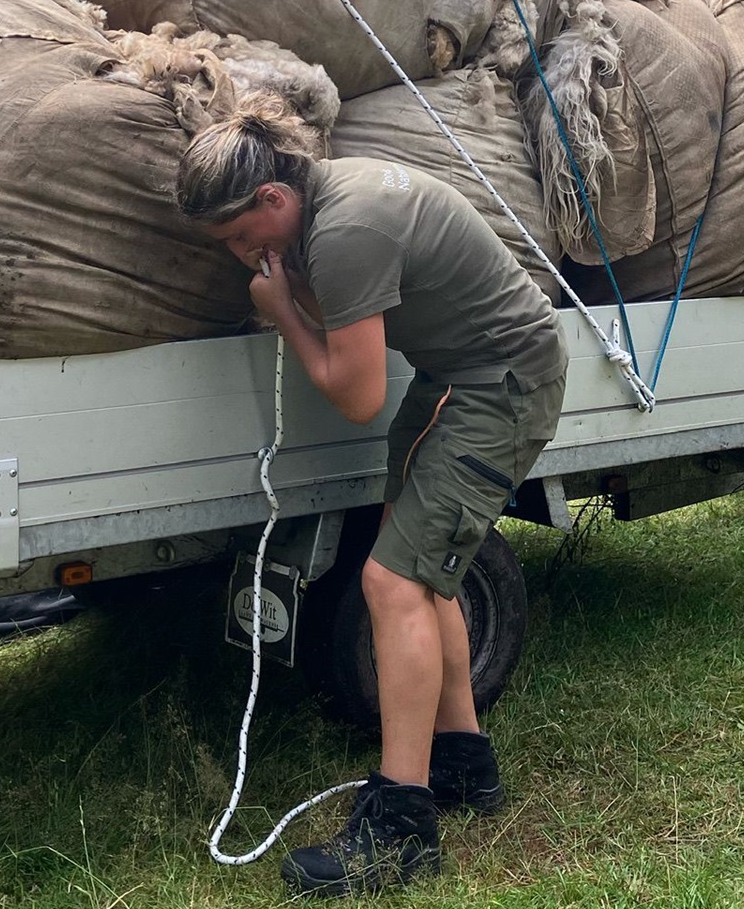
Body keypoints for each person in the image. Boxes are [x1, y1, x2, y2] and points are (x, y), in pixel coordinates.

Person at [176, 94, 567, 896]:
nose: (243, 255)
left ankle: (401, 826)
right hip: (458, 378)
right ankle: (463, 761)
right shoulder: (333, 199)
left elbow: (354, 395)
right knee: (420, 572)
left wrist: (281, 308)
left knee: (394, 583)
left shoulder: (346, 227)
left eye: (243, 237)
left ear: (273, 200)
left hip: (499, 385)